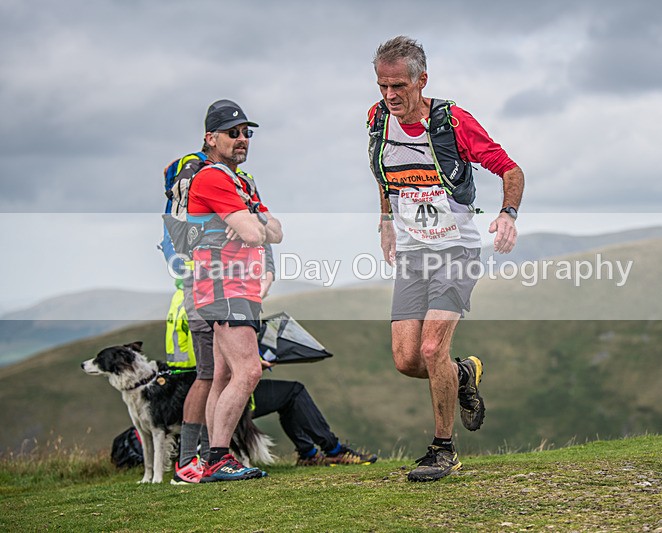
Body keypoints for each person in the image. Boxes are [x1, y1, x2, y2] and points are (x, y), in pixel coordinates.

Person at [367, 36, 524, 482]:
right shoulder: (377, 120)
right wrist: (385, 223)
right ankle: (463, 373)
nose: (390, 95)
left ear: (422, 80)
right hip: (414, 252)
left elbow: (511, 170)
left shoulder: (453, 122)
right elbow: (383, 174)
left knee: (432, 347)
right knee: (407, 359)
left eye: (399, 85)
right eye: (382, 85)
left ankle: (443, 450)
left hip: (456, 247)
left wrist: (508, 215)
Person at [166, 251, 378, 485]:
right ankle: (208, 459)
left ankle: (310, 453)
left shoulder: (188, 294)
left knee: (276, 389)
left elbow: (267, 236)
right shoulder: (216, 278)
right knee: (225, 377)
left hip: (215, 328)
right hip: (221, 323)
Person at [187, 99, 283, 482]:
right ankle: (217, 458)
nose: (242, 139)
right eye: (233, 133)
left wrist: (255, 222)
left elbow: (276, 231)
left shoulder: (240, 181)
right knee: (249, 370)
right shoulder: (212, 177)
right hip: (224, 286)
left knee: (225, 375)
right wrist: (254, 224)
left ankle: (213, 458)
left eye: (246, 133)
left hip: (237, 286)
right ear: (210, 138)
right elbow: (255, 232)